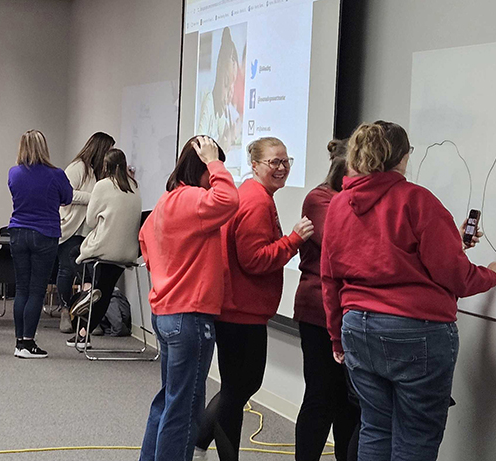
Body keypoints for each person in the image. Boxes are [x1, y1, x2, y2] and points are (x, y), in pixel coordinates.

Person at [321, 121, 496, 461]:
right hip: (415, 331)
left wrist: (336, 336)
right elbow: (456, 277)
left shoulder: (338, 205)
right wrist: (492, 275)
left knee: (375, 428)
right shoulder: (416, 200)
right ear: (402, 157)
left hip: (357, 328)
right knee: (416, 436)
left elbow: (333, 277)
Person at [195, 137, 314, 461]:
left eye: (285, 160)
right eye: (273, 162)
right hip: (240, 312)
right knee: (239, 388)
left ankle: (199, 439)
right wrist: (293, 241)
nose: (282, 168)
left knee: (239, 385)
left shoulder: (254, 195)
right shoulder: (256, 201)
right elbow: (254, 260)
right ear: (255, 165)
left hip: (240, 309)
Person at [139, 136, 239, 461]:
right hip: (189, 316)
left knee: (168, 400)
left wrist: (167, 275)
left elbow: (144, 239)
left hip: (166, 312)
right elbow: (229, 200)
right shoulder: (194, 199)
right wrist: (215, 161)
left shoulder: (167, 201)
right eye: (211, 168)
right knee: (185, 409)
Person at [293, 139, 360, 461]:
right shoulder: (320, 199)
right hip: (319, 310)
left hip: (352, 314)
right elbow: (345, 247)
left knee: (350, 402)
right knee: (321, 398)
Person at [65, 148, 142, 348]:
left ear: (105, 167)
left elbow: (90, 221)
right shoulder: (134, 186)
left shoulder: (102, 185)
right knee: (105, 290)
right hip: (128, 252)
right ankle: (83, 334)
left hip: (104, 249)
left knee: (74, 253)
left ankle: (88, 288)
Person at [8, 130, 73, 359]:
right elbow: (67, 198)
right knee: (37, 290)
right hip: (45, 234)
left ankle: (19, 342)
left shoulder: (14, 173)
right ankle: (28, 342)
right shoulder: (56, 174)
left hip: (17, 233)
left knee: (21, 289)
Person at [57, 132, 116, 334]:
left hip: (90, 231)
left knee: (89, 275)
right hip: (71, 228)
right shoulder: (78, 167)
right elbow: (65, 193)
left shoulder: (101, 173)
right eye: (108, 149)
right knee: (67, 270)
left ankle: (87, 316)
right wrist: (94, 197)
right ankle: (65, 311)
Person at [197, 27, 240, 154]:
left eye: (233, 84)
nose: (230, 92)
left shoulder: (225, 113)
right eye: (227, 83)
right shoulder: (209, 102)